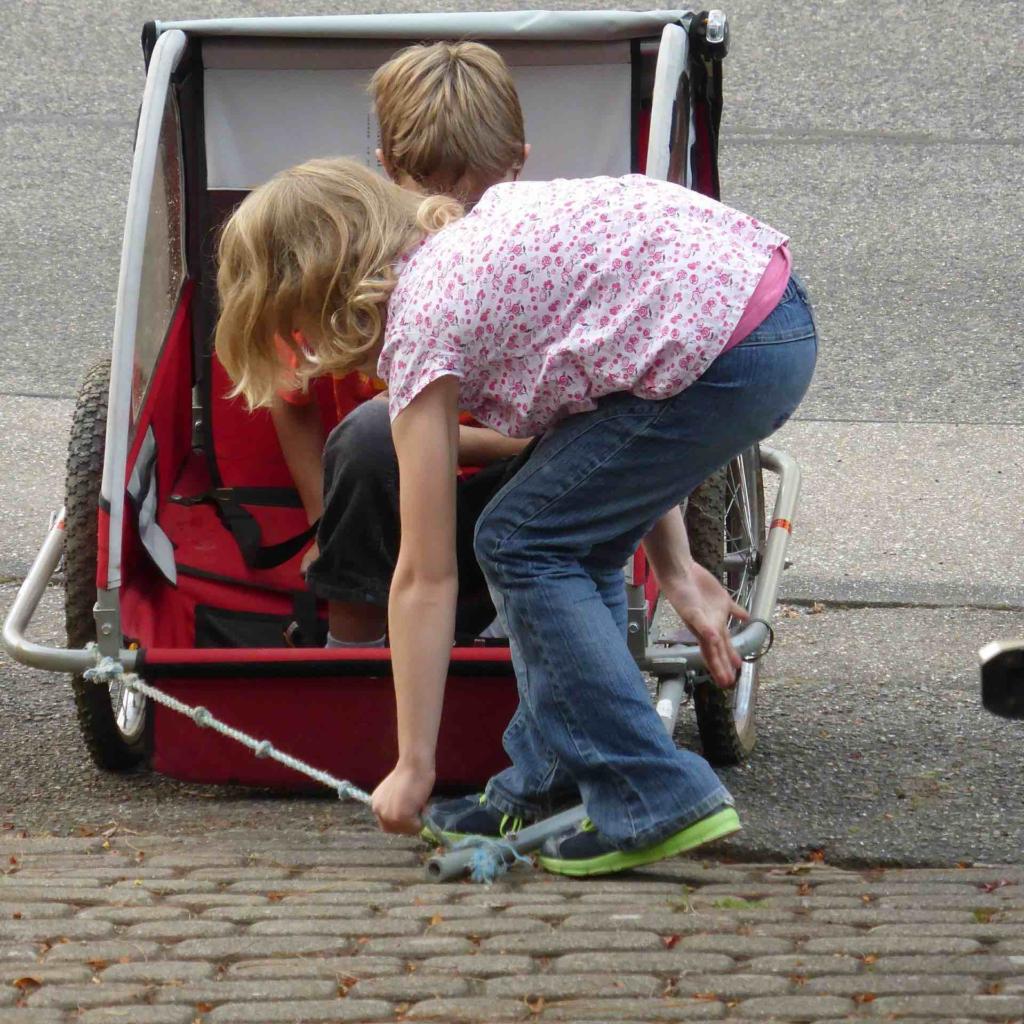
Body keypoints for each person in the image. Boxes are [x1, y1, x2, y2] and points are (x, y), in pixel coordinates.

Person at [215, 158, 817, 875]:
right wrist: (673, 566)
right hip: (759, 314)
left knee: (518, 541)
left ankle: (652, 789)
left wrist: (413, 764)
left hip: (730, 349)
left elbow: (424, 577)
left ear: (316, 293)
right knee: (561, 540)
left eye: (296, 330)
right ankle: (547, 780)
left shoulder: (424, 320)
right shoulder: (466, 254)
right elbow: (612, 415)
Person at [269, 42, 531, 646]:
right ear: (386, 168)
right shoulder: (358, 260)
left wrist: (437, 438)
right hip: (383, 506)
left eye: (477, 196)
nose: (456, 214)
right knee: (369, 437)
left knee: (382, 428)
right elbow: (291, 397)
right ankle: (352, 652)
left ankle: (511, 624)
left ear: (519, 164)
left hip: (505, 496)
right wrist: (320, 523)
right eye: (429, 192)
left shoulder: (529, 266)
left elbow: (561, 437)